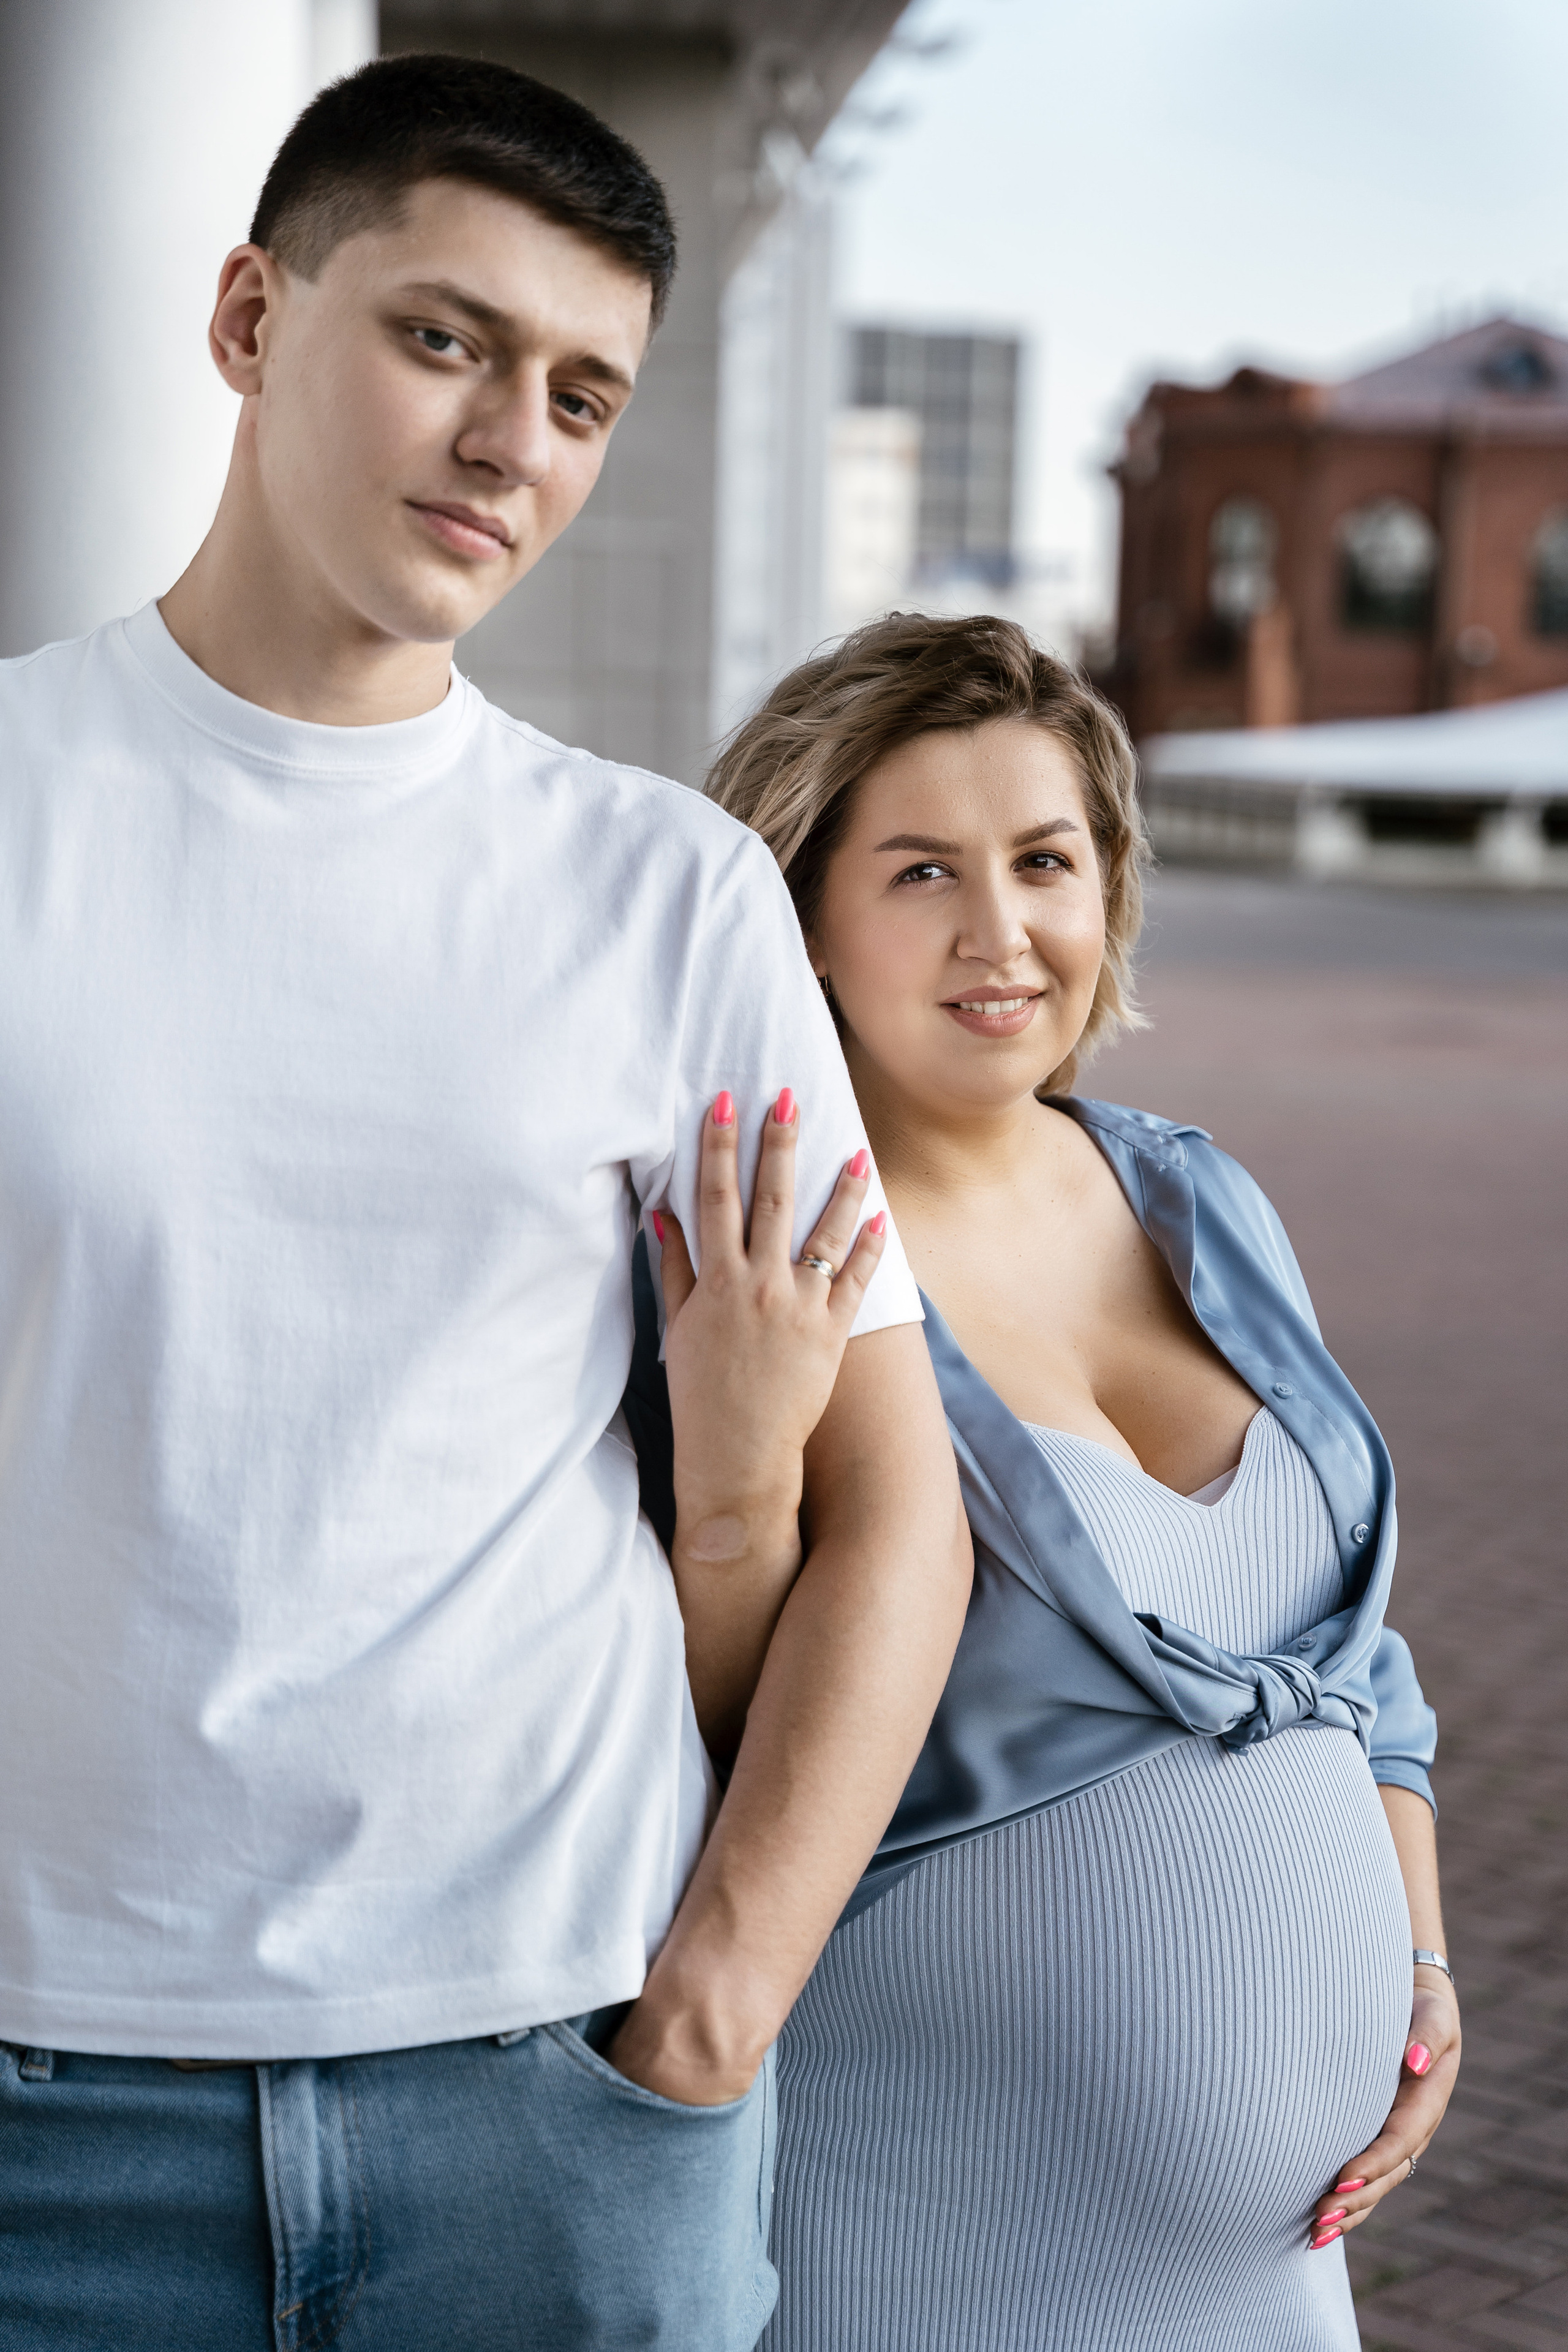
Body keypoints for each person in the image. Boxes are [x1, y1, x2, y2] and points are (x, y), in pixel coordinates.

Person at [0, 59, 971, 2352]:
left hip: (543, 2094)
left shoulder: (669, 896)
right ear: (252, 317)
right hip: (42, 2103)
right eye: (444, 339)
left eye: (582, 392)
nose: (512, 440)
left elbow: (896, 1516)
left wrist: (713, 2012)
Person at [640, 611, 1459, 2349]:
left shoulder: (1200, 1198)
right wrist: (733, 1469)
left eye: (1045, 862)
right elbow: (714, 1744)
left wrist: (1422, 1960)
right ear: (803, 915)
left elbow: (1359, 1663)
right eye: (922, 871)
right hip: (921, 2232)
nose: (1002, 934)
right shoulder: (764, 1257)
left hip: (1276, 2274)